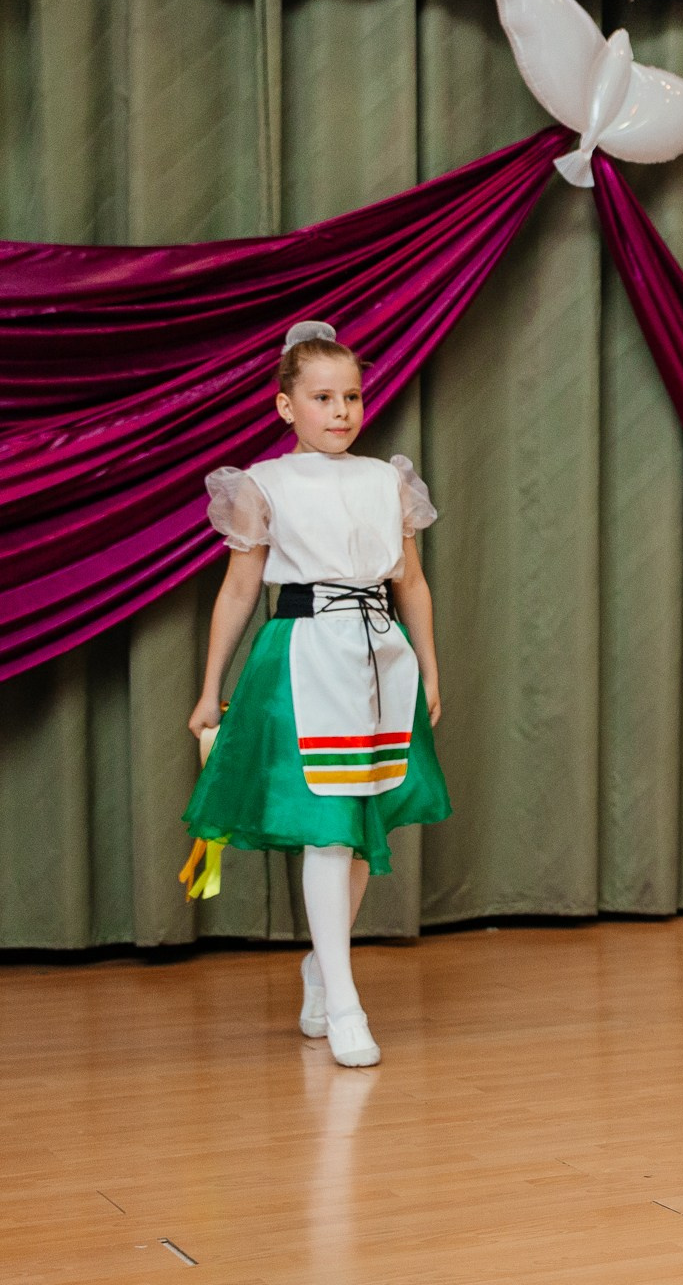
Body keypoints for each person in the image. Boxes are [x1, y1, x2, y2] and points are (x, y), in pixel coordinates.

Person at [185, 322, 450, 1067]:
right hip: (304, 656)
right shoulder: (263, 484)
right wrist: (211, 689)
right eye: (322, 396)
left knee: (362, 822)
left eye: (353, 396)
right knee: (329, 827)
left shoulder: (385, 479)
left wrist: (429, 666)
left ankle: (320, 967)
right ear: (284, 405)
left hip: (379, 660)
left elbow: (412, 582)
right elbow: (240, 591)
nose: (341, 410)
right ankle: (343, 1001)